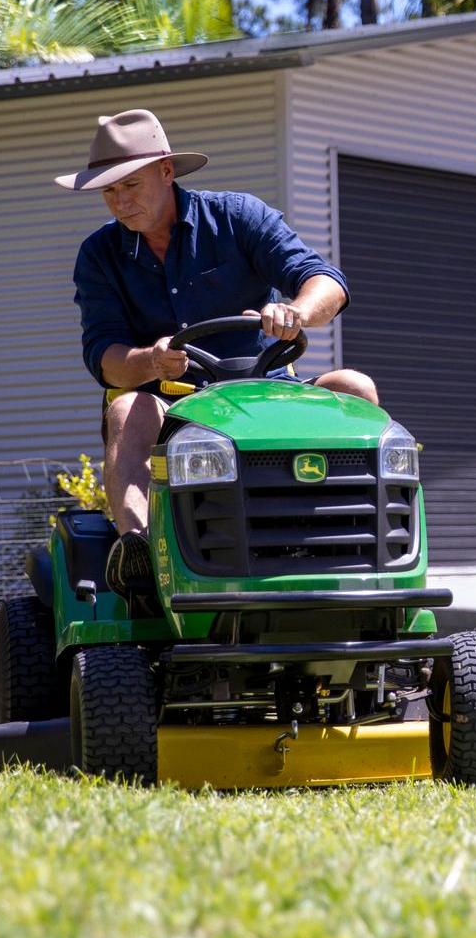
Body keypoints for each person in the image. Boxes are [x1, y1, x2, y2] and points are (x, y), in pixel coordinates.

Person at [59, 109, 378, 589]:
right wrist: (149, 359)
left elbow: (323, 281)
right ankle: (142, 556)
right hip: (171, 402)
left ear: (167, 171)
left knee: (355, 387)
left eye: (130, 185)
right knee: (127, 410)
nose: (120, 202)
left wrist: (297, 313)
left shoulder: (238, 217)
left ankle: (354, 542)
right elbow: (104, 357)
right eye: (109, 190)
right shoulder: (99, 256)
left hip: (266, 391)